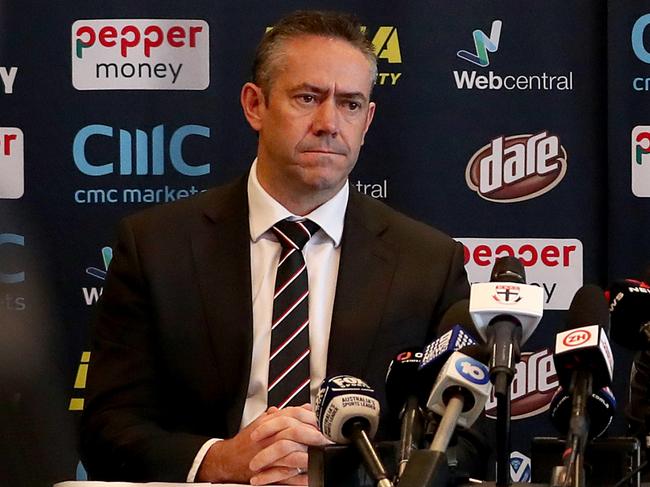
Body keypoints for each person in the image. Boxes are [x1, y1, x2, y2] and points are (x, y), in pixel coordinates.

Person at [80, 10, 477, 485]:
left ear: (367, 119)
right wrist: (219, 461)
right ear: (255, 105)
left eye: (350, 104)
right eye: (307, 98)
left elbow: (464, 442)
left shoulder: (428, 263)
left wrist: (331, 473)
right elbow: (108, 426)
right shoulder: (156, 246)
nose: (329, 123)